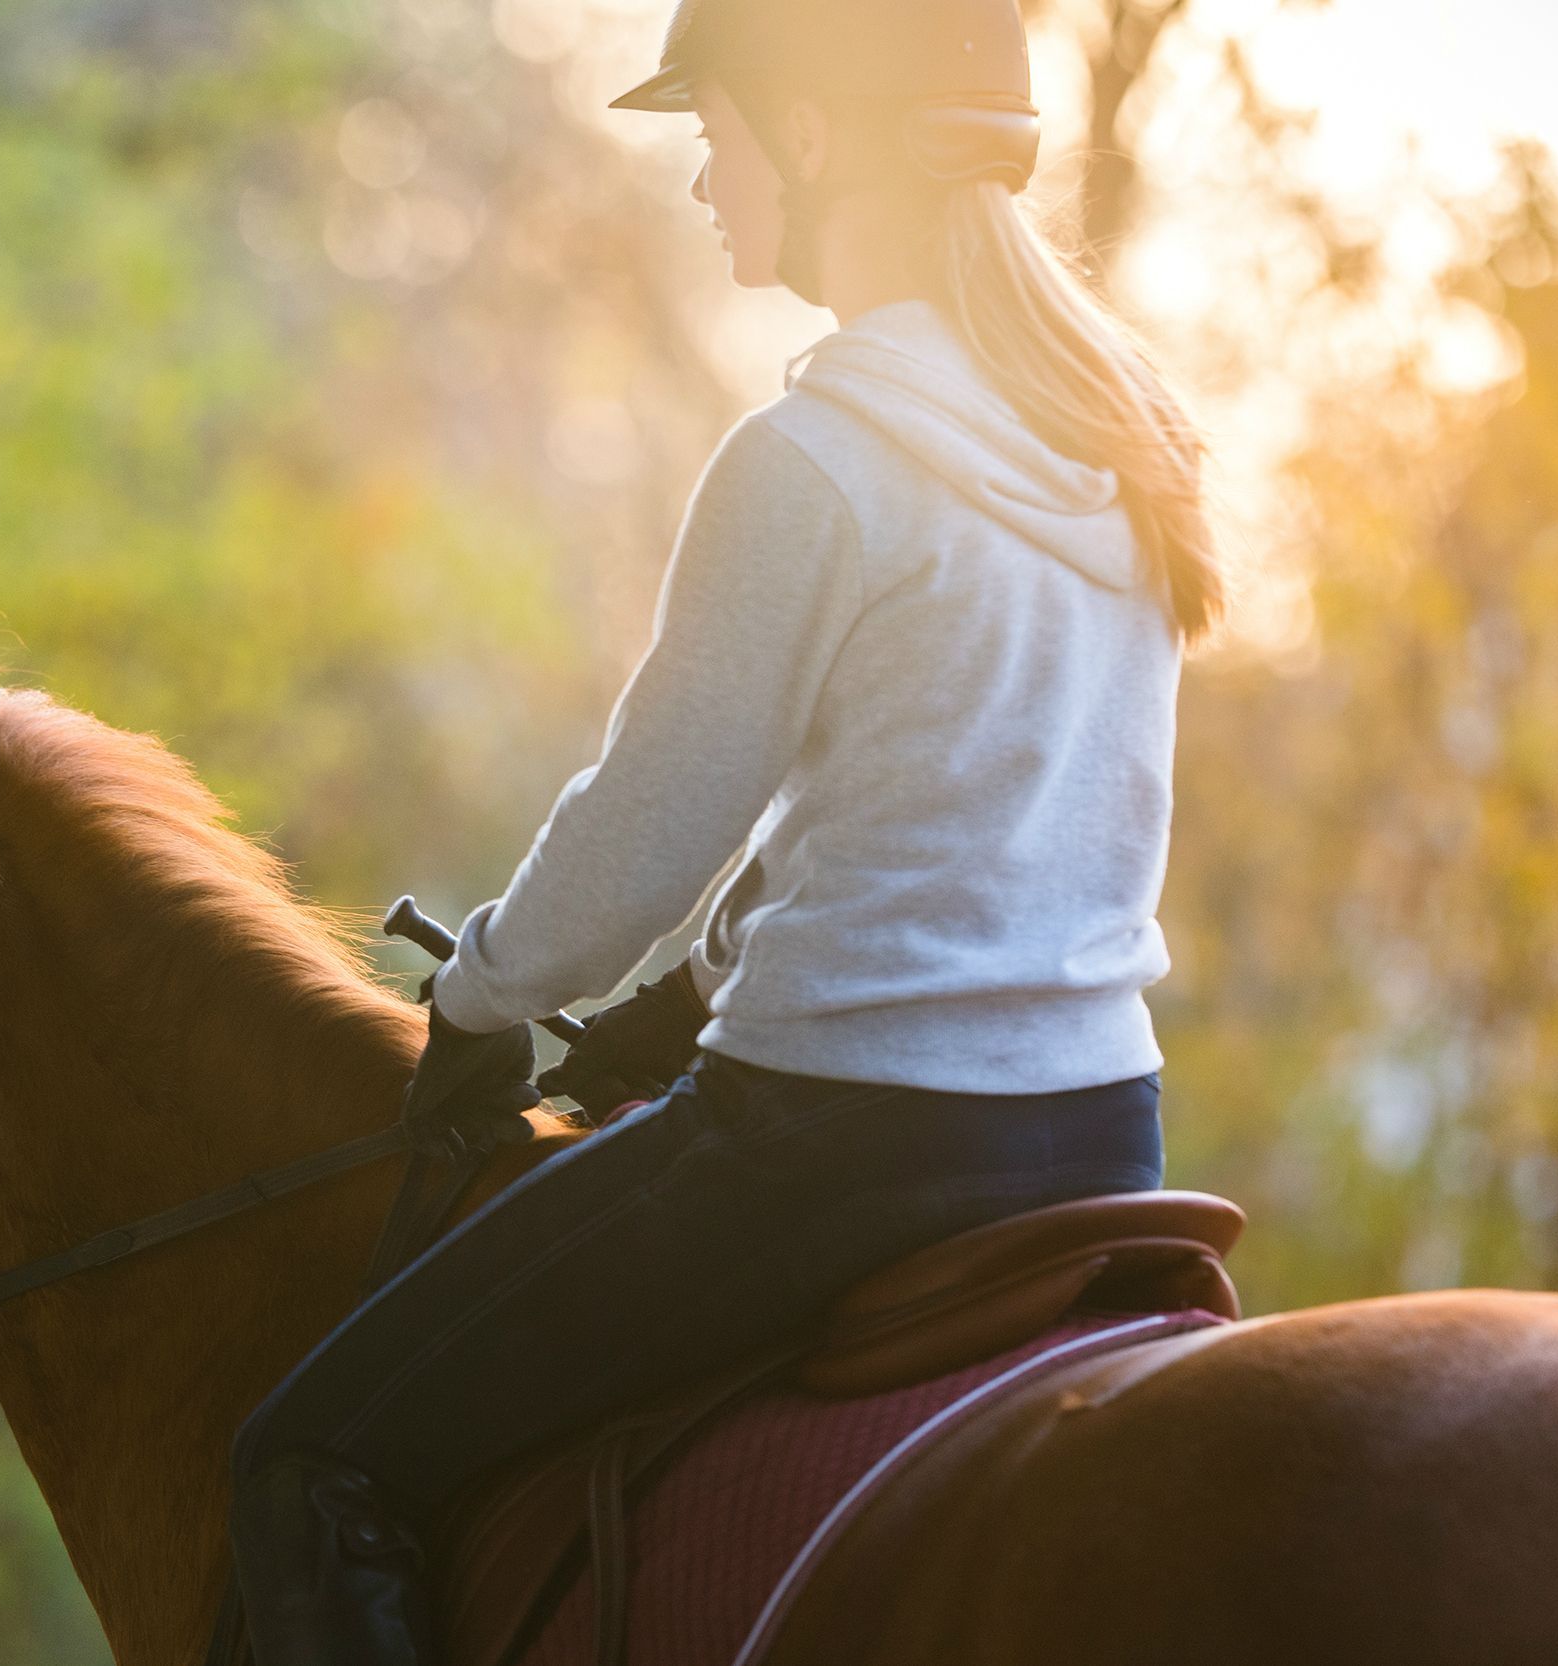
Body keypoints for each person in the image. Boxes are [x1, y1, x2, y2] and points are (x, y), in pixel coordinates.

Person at [223, 0, 1226, 1659]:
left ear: (815, 134)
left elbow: (649, 829)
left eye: (718, 129)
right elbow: (921, 806)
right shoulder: (1118, 451)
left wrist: (477, 998)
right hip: (1102, 1126)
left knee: (306, 1453)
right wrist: (685, 1002)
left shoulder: (814, 461)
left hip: (845, 1147)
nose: (703, 176)